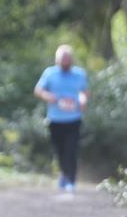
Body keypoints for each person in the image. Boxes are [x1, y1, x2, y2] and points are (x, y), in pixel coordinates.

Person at [34, 45, 88, 195]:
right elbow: (38, 90)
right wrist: (49, 96)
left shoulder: (79, 74)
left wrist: (83, 101)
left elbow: (84, 92)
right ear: (57, 60)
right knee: (59, 151)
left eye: (67, 59)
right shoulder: (49, 73)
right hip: (55, 120)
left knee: (71, 150)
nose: (65, 62)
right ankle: (64, 174)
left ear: (71, 60)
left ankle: (71, 180)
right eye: (62, 60)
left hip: (74, 119)